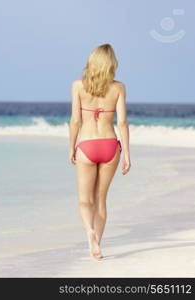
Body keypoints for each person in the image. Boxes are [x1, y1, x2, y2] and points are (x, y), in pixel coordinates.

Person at [68, 43, 131, 260]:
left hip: (86, 145)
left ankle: (90, 233)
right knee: (101, 199)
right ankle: (98, 246)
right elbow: (122, 122)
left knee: (85, 200)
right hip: (110, 146)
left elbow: (75, 120)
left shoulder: (78, 86)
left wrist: (71, 147)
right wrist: (128, 156)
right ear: (111, 64)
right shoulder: (119, 88)